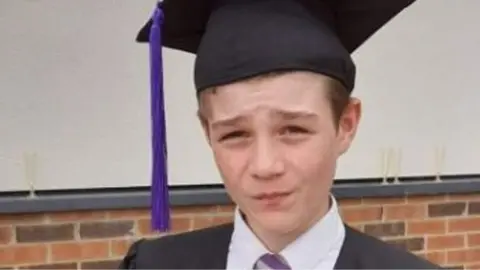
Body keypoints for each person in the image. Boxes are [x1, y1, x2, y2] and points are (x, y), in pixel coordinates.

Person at [120, 0, 441, 269]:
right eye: (234, 134)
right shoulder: (154, 265)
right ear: (207, 132)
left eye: (293, 129)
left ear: (345, 125)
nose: (265, 166)